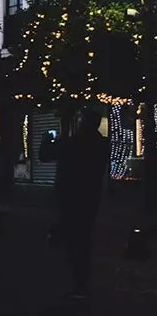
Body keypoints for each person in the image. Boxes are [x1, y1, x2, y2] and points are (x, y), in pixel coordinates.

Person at [56, 110, 110, 297]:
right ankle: (81, 280)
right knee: (83, 236)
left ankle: (78, 281)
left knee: (75, 238)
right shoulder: (102, 143)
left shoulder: (75, 143)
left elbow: (47, 154)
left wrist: (62, 130)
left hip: (72, 195)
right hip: (91, 195)